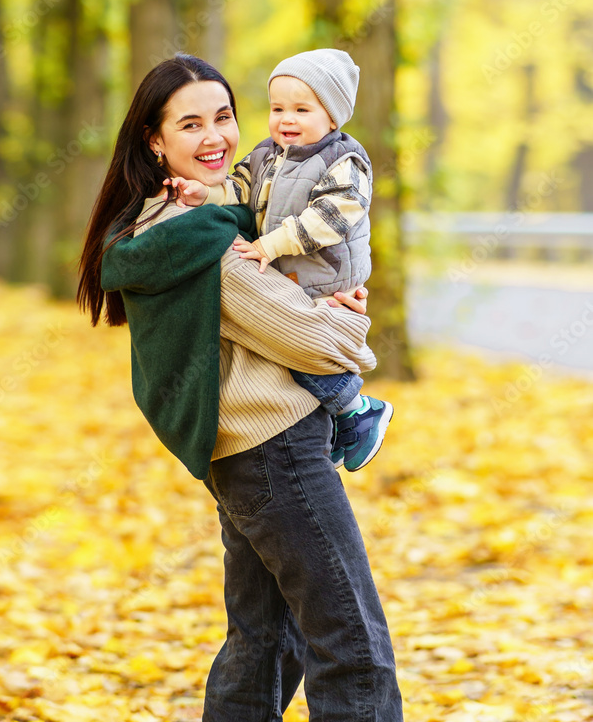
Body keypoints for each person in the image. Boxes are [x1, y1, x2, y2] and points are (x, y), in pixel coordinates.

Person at [77, 54, 403, 721]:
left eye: (223, 117)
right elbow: (325, 345)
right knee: (351, 642)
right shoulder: (204, 241)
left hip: (242, 448)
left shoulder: (184, 217)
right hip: (274, 447)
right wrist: (347, 314)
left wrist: (313, 301)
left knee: (264, 643)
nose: (215, 137)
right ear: (153, 139)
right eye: (189, 123)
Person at [163, 48, 393, 472]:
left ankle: (355, 407)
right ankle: (345, 417)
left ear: (332, 118)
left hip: (328, 271)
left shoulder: (344, 161)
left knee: (296, 343)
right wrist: (205, 194)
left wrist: (271, 245)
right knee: (287, 342)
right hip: (295, 272)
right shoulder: (267, 155)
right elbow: (240, 190)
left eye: (302, 109)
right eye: (278, 108)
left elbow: (332, 218)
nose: (286, 119)